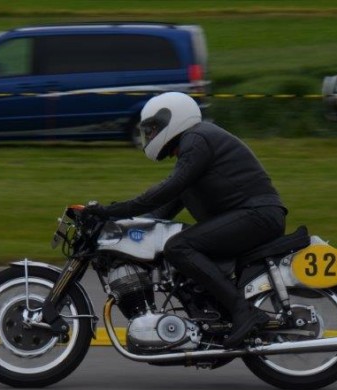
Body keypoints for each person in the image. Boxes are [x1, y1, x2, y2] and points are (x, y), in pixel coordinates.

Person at [85, 92, 287, 348]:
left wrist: (110, 211)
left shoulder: (198, 139)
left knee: (178, 247)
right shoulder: (194, 151)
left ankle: (244, 311)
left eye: (154, 129)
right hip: (251, 216)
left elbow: (165, 190)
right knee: (174, 248)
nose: (151, 135)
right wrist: (117, 231)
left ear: (174, 118)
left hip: (257, 215)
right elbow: (158, 211)